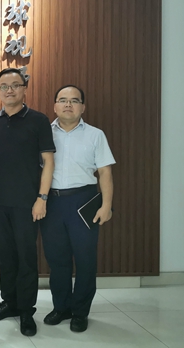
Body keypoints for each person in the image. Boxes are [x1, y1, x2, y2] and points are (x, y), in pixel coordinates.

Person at [0, 68, 55, 337]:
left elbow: (48, 161)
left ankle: (26, 310)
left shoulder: (38, 120)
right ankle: (10, 302)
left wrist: (42, 198)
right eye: (4, 86)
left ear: (25, 89)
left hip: (27, 203)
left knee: (26, 258)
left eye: (15, 85)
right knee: (5, 257)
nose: (9, 90)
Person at [40, 85, 115, 333]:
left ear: (83, 106)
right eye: (63, 100)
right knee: (57, 259)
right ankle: (61, 307)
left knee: (85, 260)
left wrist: (106, 205)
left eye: (74, 100)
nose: (68, 105)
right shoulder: (43, 133)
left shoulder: (95, 135)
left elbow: (105, 172)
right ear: (55, 106)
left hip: (84, 202)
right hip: (52, 202)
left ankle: (80, 312)